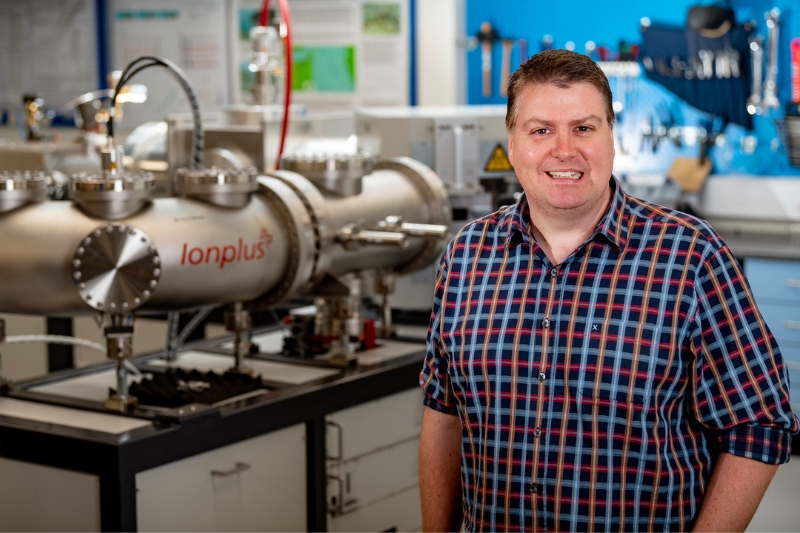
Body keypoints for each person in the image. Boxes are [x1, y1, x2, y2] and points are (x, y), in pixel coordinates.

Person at [418, 49, 798, 532]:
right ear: (512, 145)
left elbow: (759, 423)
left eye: (583, 128)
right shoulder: (466, 256)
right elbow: (444, 414)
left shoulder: (691, 257)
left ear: (611, 139)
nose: (564, 150)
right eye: (541, 131)